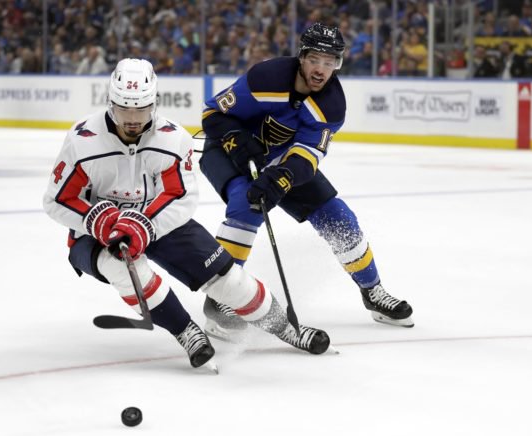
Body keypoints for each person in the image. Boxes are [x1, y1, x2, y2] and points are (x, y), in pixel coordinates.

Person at [43, 58, 331, 370]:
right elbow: (57, 200)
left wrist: (144, 224)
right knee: (124, 267)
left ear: (154, 104)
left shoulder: (172, 138)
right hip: (98, 233)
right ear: (110, 103)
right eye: (124, 109)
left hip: (157, 220)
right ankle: (186, 332)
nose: (131, 119)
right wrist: (96, 219)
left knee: (230, 283)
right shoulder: (83, 139)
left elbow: (180, 197)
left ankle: (287, 328)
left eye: (140, 110)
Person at [198, 23, 415, 341]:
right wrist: (236, 138)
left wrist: (281, 178)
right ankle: (220, 302)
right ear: (302, 57)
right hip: (227, 151)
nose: (322, 70)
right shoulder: (266, 77)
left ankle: (373, 290)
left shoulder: (331, 105)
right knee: (247, 206)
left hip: (280, 159)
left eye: (331, 62)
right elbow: (212, 114)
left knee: (338, 217)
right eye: (316, 59)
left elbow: (306, 157)